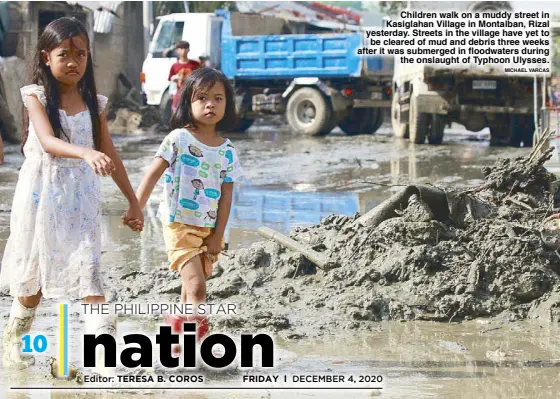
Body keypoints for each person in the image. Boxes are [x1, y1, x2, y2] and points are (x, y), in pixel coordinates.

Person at [0, 17, 144, 373]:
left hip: (81, 202)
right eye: (64, 54)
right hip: (42, 197)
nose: (73, 61)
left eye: (81, 54)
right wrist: (84, 152)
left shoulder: (95, 103)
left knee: (90, 272)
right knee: (34, 280)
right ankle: (12, 341)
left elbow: (110, 153)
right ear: (47, 57)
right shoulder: (36, 95)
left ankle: (106, 359)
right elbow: (48, 142)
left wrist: (133, 200)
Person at [134, 68, 243, 344]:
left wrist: (219, 235)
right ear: (188, 103)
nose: (210, 104)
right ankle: (197, 347)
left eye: (218, 99)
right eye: (202, 98)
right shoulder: (178, 139)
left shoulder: (227, 150)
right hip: (179, 223)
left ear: (227, 104)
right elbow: (152, 175)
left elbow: (227, 196)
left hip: (208, 228)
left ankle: (175, 339)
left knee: (189, 289)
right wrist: (136, 207)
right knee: (196, 286)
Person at [167, 41, 200, 115]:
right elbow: (171, 80)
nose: (183, 51)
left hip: (193, 95)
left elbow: (200, 78)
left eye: (185, 48)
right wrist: (175, 79)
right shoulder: (174, 66)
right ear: (177, 50)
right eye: (181, 48)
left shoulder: (195, 64)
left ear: (189, 50)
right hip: (179, 95)